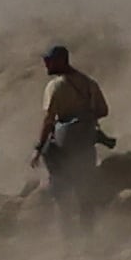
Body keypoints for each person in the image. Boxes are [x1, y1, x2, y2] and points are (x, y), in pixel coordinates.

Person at [31, 45, 112, 205]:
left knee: (60, 193)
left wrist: (38, 149)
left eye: (48, 61)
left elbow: (48, 120)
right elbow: (103, 110)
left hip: (64, 148)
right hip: (86, 143)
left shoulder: (55, 87)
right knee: (86, 193)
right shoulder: (89, 83)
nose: (46, 64)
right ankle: (89, 228)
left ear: (60, 61)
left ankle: (66, 227)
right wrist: (85, 117)